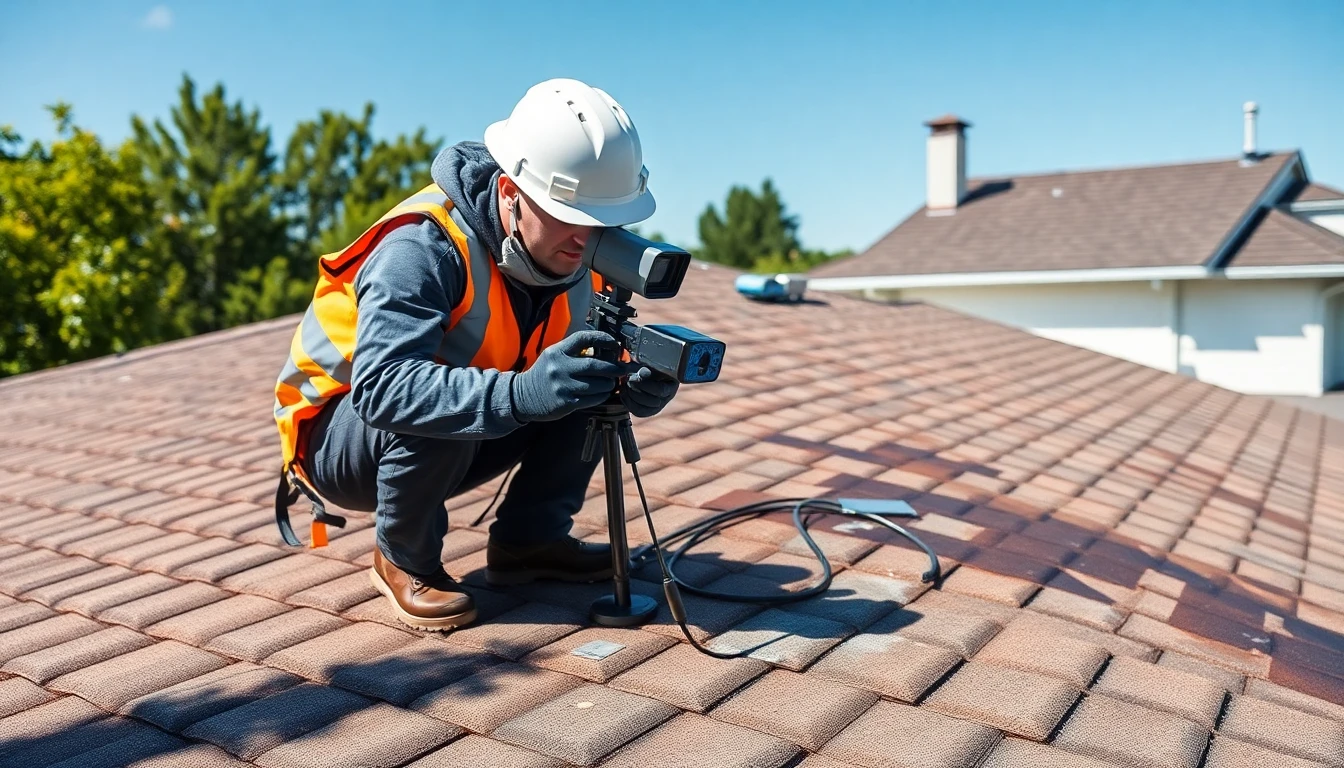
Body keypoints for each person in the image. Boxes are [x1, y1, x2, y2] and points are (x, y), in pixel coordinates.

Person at [272, 78, 679, 631]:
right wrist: (523, 392)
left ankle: (528, 545)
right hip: (342, 441)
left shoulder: (577, 246)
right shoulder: (422, 247)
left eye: (603, 221)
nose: (589, 239)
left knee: (586, 377)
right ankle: (403, 559)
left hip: (456, 425)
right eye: (572, 215)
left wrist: (625, 384)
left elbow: (574, 358)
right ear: (510, 193)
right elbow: (383, 389)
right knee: (436, 393)